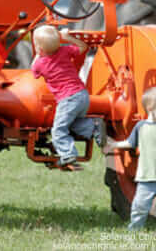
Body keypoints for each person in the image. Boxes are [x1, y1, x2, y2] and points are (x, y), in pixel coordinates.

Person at [104, 87, 156, 234]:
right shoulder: (140, 127)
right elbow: (130, 143)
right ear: (150, 108)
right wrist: (115, 145)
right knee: (139, 207)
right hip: (146, 178)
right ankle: (135, 229)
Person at [31, 25, 109, 170]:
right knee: (72, 123)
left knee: (58, 130)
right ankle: (93, 126)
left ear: (39, 49)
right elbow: (83, 47)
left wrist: (38, 54)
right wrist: (67, 38)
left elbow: (33, 71)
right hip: (82, 95)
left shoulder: (40, 64)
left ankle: (67, 154)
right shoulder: (64, 51)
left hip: (68, 99)